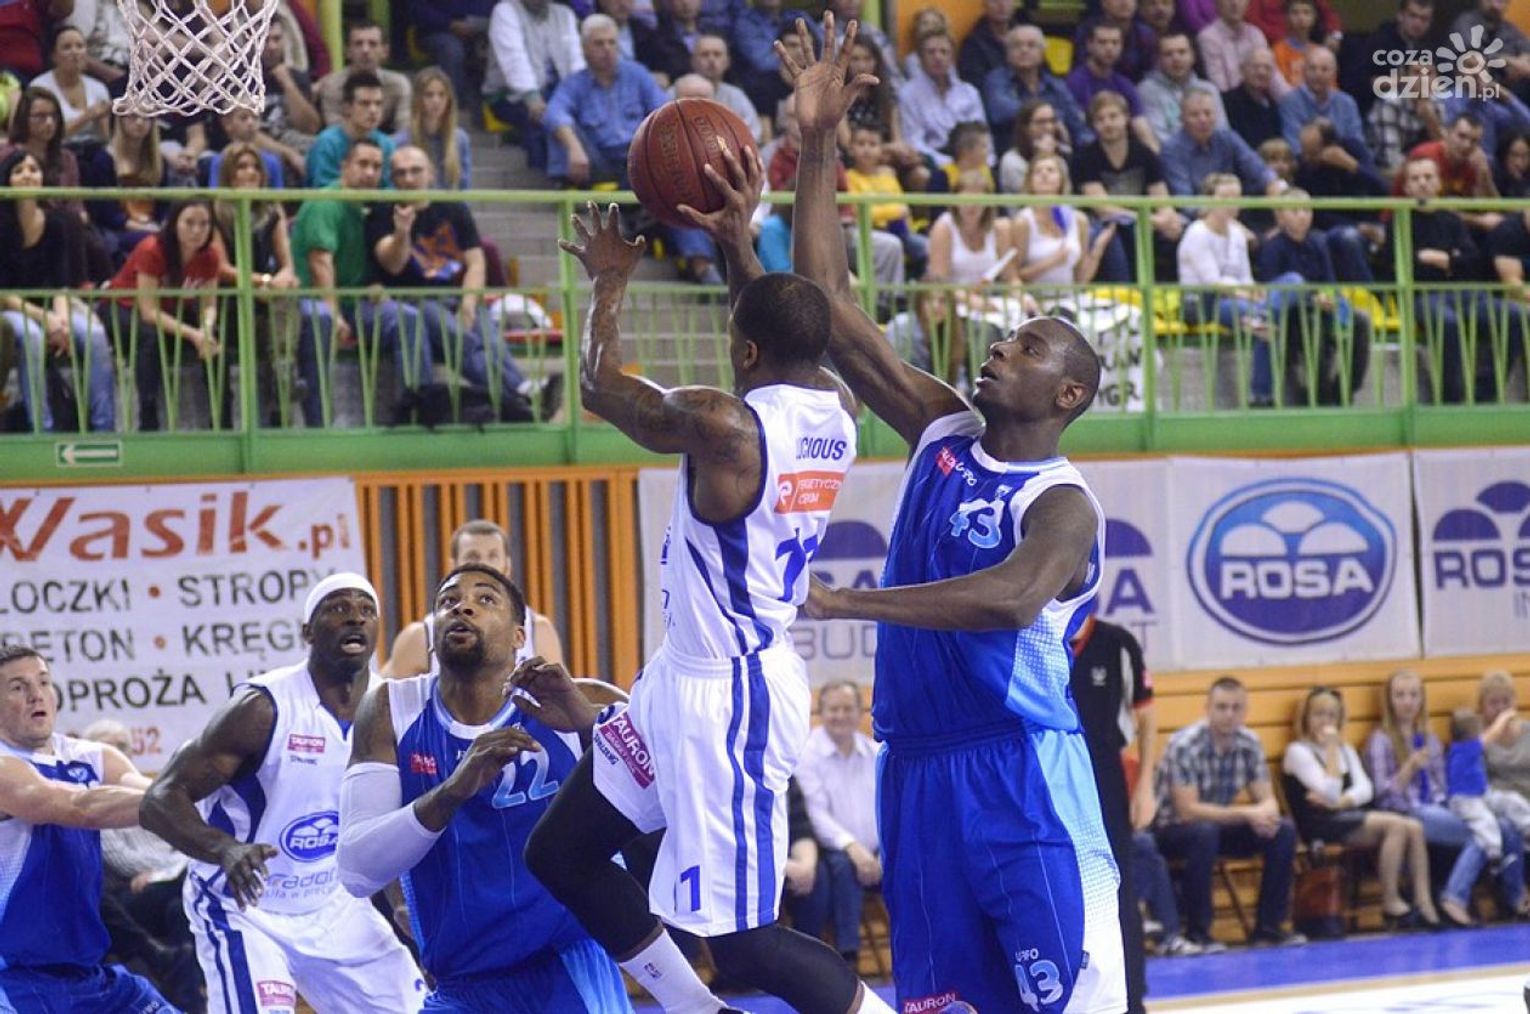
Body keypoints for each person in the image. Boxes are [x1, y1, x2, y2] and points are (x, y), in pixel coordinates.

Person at [517, 100, 887, 1012]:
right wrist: (735, 240)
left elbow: (600, 386)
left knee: (747, 942)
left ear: (745, 350)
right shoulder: (836, 410)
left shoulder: (724, 428)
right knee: (561, 852)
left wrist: (611, 280)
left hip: (732, 697)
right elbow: (778, 326)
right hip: (678, 682)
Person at [787, 17, 1126, 1011]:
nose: (1000, 348)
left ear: (1068, 394)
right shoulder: (940, 428)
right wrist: (817, 143)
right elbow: (825, 302)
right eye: (1005, 337)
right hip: (917, 772)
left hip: (1023, 773)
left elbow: (1012, 598)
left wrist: (854, 603)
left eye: (1028, 348)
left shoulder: (1062, 502)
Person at [336, 567, 632, 1011]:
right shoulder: (390, 709)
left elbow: (668, 809)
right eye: (448, 601)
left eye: (485, 598)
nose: (463, 606)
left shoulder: (584, 702)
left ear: (519, 637)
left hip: (566, 971)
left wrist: (593, 730)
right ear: (432, 641)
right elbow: (357, 871)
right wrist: (452, 790)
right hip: (460, 985)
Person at [139, 573, 427, 1014]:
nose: (355, 617)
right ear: (308, 632)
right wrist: (225, 849)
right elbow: (159, 799)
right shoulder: (262, 708)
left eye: (366, 610)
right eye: (338, 608)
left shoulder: (389, 710)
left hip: (333, 904)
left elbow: (385, 825)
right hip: (245, 907)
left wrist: (402, 904)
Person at [0, 645, 178, 1013]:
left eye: (43, 682)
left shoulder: (93, 755)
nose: (36, 694)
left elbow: (152, 792)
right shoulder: (4, 766)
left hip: (87, 974)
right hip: (13, 977)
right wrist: (175, 800)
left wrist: (199, 795)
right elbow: (77, 807)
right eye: (18, 687)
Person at [367, 145, 561, 424]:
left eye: (415, 171)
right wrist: (402, 232)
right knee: (459, 339)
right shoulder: (382, 214)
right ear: (392, 178)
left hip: (453, 296)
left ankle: (520, 397)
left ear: (431, 174)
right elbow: (393, 265)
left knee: (488, 336)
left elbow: (476, 262)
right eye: (400, 173)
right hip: (409, 300)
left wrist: (469, 301)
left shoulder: (453, 209)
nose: (408, 179)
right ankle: (521, 392)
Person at [1364, 669, 1526, 927]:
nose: (1407, 702)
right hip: (1407, 810)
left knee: (1504, 825)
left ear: (1421, 700)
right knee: (1482, 832)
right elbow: (1381, 795)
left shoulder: (1429, 738)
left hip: (1440, 806)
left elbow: (1443, 786)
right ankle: (1454, 897)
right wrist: (1408, 769)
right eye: (1400, 695)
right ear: (1390, 701)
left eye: (1413, 695)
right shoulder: (1380, 740)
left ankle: (1515, 898)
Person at [1154, 677, 1306, 949]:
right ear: (1207, 709)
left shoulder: (1250, 743)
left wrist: (1265, 816)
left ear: (1245, 712)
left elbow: (1268, 801)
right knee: (1203, 834)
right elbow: (1187, 811)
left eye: (1236, 708)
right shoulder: (1184, 745)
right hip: (1171, 830)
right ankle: (1199, 931)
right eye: (1222, 707)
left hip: (1218, 827)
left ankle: (1269, 927)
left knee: (1282, 831)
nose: (1229, 714)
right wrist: (1249, 814)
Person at [1282, 687, 1441, 930]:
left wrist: (1341, 802)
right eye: (1318, 714)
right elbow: (1329, 790)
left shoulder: (1346, 751)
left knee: (1414, 827)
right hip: (1317, 823)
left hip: (1345, 814)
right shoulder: (1297, 752)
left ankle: (1424, 903)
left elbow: (1366, 789)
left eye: (1331, 715)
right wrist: (1331, 749)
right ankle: (1390, 901)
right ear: (1306, 717)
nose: (1325, 721)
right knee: (1395, 826)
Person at [290, 138, 423, 427]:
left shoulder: (373, 207)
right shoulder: (326, 203)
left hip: (356, 302)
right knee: (323, 319)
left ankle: (416, 418)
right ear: (344, 167)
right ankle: (319, 427)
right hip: (310, 299)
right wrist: (334, 311)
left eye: (376, 166)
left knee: (408, 319)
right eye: (363, 164)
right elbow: (320, 262)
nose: (370, 173)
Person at [1069, 617, 1157, 1013]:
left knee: (1118, 889)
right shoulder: (1034, 633)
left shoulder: (1117, 643)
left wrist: (1145, 785)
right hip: (1049, 776)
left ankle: (1131, 1001)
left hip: (1105, 777)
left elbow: (1147, 715)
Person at [0, 148, 116, 434]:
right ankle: (43, 427)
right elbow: (3, 292)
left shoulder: (57, 222)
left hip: (52, 304)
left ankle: (104, 427)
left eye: (33, 169)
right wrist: (47, 320)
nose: (28, 175)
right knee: (33, 336)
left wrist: (61, 323)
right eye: (18, 171)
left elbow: (61, 282)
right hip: (10, 306)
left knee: (95, 335)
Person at [384, 518, 565, 678]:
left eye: (493, 556)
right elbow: (383, 699)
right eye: (473, 556)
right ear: (454, 565)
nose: (484, 565)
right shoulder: (419, 637)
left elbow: (564, 699)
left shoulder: (539, 631)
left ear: (507, 565)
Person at [104, 200, 226, 430]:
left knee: (215, 340)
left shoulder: (209, 256)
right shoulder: (152, 249)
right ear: (174, 223)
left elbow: (209, 304)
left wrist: (206, 328)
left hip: (170, 311)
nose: (197, 231)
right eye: (189, 223)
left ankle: (222, 418)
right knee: (150, 337)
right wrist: (193, 334)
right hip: (123, 307)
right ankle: (148, 419)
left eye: (204, 224)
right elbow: (148, 311)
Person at [1255, 192, 1373, 405]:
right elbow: (1272, 291)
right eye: (1295, 211)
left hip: (1322, 308)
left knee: (1360, 322)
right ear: (1280, 216)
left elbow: (1329, 281)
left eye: (1306, 210)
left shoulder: (1319, 243)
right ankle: (1320, 393)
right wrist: (1311, 299)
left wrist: (1330, 298)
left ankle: (1345, 389)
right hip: (1292, 315)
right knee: (1311, 323)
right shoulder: (1273, 247)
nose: (1302, 216)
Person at [793, 682, 880, 970]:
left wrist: (884, 851)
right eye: (833, 709)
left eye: (847, 709)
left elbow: (887, 807)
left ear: (860, 712)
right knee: (844, 867)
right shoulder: (806, 754)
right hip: (831, 848)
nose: (840, 716)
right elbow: (815, 814)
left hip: (878, 850)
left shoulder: (874, 752)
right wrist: (851, 846)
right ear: (820, 713)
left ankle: (920, 948)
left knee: (915, 866)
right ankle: (848, 956)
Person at [544, 14, 668, 187]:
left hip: (636, 157)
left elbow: (664, 111)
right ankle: (565, 186)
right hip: (597, 159)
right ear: (584, 49)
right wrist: (574, 147)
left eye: (612, 42)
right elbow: (553, 113)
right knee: (561, 128)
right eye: (599, 43)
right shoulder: (574, 83)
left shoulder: (637, 74)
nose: (607, 49)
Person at [485, 0, 583, 172]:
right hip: (510, 96)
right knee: (542, 122)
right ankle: (542, 178)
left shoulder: (565, 14)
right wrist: (533, 99)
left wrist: (579, 97)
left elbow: (576, 61)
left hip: (557, 94)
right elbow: (514, 60)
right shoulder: (505, 11)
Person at [983, 26, 1089, 155]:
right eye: (1017, 45)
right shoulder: (996, 80)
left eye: (1031, 45)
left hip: (1055, 155)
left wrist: (1092, 148)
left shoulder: (1055, 85)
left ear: (1042, 53)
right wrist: (1053, 118)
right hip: (1013, 153)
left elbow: (1077, 124)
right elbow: (1000, 112)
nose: (1024, 50)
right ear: (1007, 53)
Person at [1447, 708, 1530, 867]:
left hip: (1482, 794)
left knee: (1510, 800)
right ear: (1468, 732)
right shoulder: (1463, 748)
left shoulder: (1471, 746)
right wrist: (1504, 716)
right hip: (1464, 800)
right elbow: (1492, 734)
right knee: (1485, 820)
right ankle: (1493, 854)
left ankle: (1527, 827)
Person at [899, 29, 988, 167]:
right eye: (931, 52)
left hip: (969, 157)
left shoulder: (969, 92)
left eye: (944, 52)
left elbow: (980, 133)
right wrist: (949, 163)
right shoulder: (908, 93)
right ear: (920, 58)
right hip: (930, 160)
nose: (938, 57)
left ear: (952, 58)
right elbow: (914, 141)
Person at [314, 21, 413, 132]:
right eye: (358, 44)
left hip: (390, 141)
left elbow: (405, 131)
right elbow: (336, 131)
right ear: (347, 51)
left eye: (373, 44)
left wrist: (384, 142)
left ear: (385, 51)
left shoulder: (399, 84)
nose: (365, 50)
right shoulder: (333, 85)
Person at [306, 70, 398, 188]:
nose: (373, 110)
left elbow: (391, 188)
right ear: (347, 108)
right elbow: (322, 189)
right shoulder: (327, 144)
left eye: (378, 104)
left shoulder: (388, 145)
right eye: (365, 103)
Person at [1138, 32, 1227, 145]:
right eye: (1168, 54)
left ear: (1193, 56)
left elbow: (1222, 131)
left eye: (1182, 52)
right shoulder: (1147, 90)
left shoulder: (1209, 89)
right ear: (1158, 60)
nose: (1176, 59)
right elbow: (1159, 136)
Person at [31, 25, 111, 147]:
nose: (75, 52)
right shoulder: (40, 87)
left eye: (80, 46)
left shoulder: (99, 88)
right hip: (54, 150)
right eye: (67, 47)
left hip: (92, 151)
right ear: (54, 56)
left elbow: (106, 138)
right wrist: (87, 116)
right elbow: (41, 135)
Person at [396, 67, 473, 190]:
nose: (436, 101)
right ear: (418, 99)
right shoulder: (400, 141)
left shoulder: (460, 139)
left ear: (449, 100)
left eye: (442, 95)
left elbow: (464, 188)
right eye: (429, 95)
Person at [1480, 670, 1530, 801]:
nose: (1501, 708)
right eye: (1493, 703)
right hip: (1501, 803)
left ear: (1515, 701)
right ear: (1482, 707)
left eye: (1506, 701)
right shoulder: (1480, 738)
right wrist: (1494, 731)